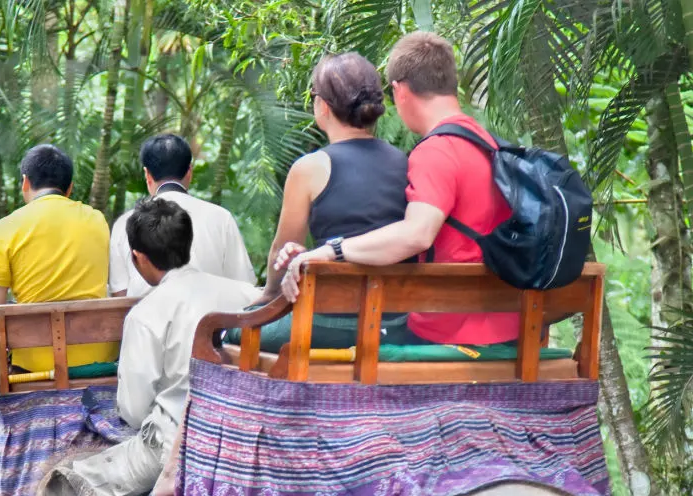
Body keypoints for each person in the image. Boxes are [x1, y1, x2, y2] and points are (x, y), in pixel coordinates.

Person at [71, 197, 261, 496]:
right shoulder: (248, 296)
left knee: (69, 481)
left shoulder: (146, 313)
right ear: (187, 243)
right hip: (243, 433)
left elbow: (135, 411)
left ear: (138, 258)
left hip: (171, 445)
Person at [279, 32, 517, 346]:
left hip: (452, 328)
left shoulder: (438, 151)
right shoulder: (487, 144)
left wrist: (333, 250)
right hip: (507, 317)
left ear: (399, 91)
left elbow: (416, 234)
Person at [255, 52, 416, 348]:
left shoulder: (310, 168)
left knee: (231, 331)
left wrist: (264, 301)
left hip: (326, 325)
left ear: (323, 107)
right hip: (392, 325)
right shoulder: (405, 162)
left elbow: (281, 253)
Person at [0, 144, 116, 373]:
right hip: (96, 363)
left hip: (34, 368)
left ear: (25, 182)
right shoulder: (97, 220)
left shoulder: (5, 228)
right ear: (69, 188)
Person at [109, 134, 255, 297]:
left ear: (147, 174)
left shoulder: (125, 223)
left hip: (147, 319)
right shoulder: (221, 218)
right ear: (189, 171)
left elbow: (120, 294)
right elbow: (244, 284)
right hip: (212, 320)